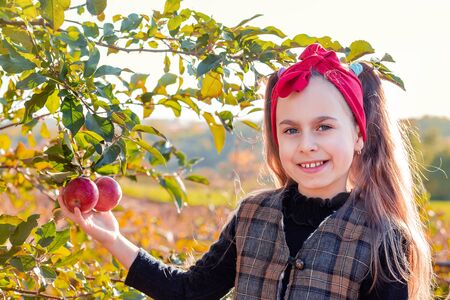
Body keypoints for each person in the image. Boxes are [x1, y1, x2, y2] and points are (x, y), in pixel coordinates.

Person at [58, 43, 433, 299]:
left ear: (357, 135)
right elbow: (191, 292)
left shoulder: (383, 239)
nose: (306, 144)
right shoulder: (253, 215)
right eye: (290, 130)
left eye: (324, 126)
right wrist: (112, 240)